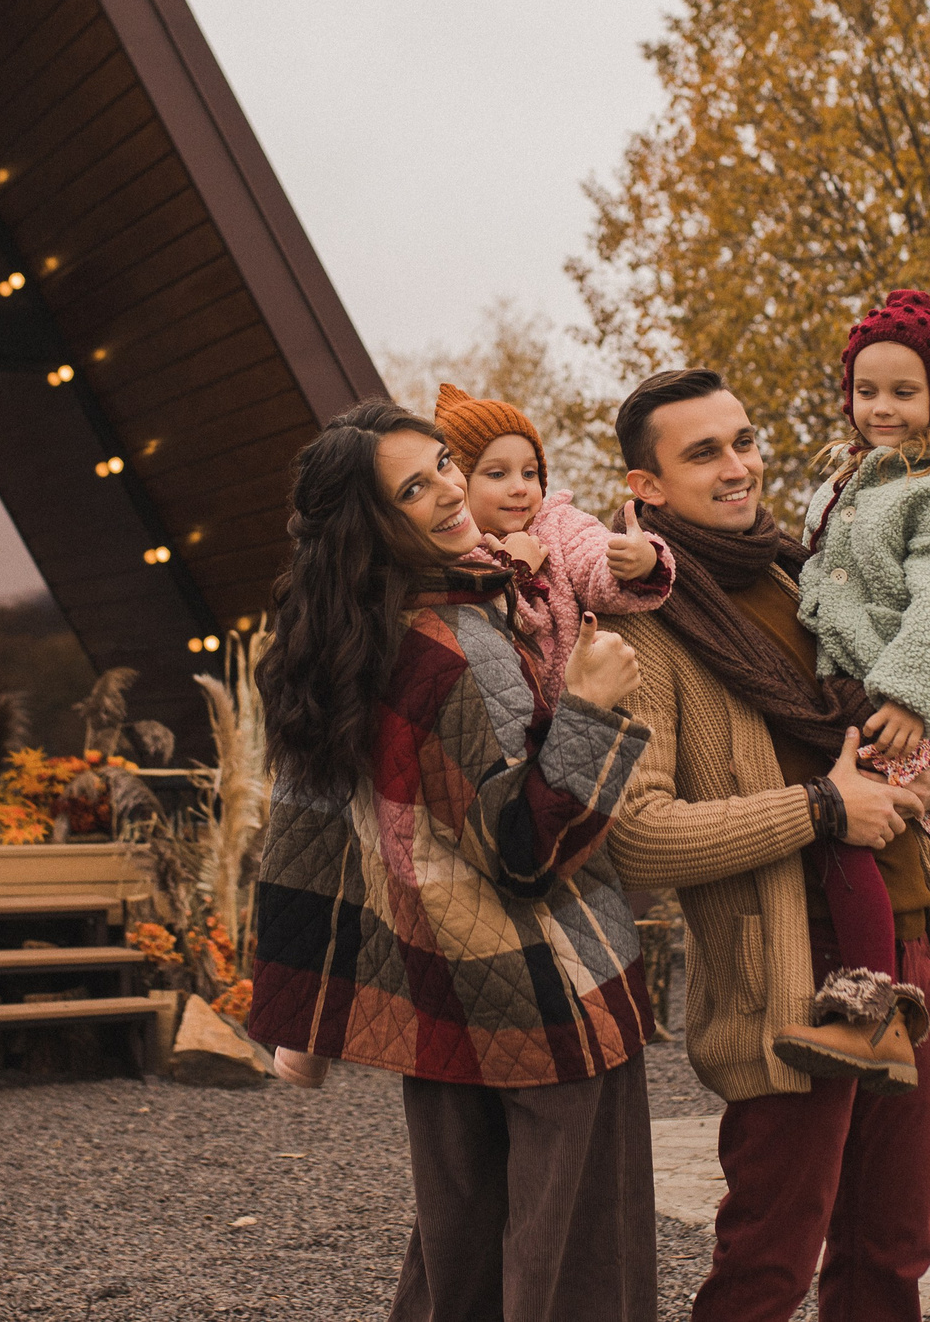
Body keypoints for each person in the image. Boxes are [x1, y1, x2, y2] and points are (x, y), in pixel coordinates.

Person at [243, 401, 660, 1322]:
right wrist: (592, 707)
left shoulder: (350, 640)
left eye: (440, 464)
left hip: (440, 1002)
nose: (448, 490)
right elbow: (525, 849)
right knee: (575, 1276)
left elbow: (317, 834)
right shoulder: (451, 646)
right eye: (413, 488)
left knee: (457, 1269)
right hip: (550, 999)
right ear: (370, 525)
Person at [603, 367, 930, 1321]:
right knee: (769, 1261)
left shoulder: (809, 572)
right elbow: (636, 834)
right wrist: (821, 808)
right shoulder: (644, 627)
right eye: (704, 453)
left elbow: (926, 708)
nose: (739, 466)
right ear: (646, 486)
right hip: (789, 967)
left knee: (892, 1252)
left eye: (745, 440)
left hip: (910, 936)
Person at [780, 290, 930, 1087]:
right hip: (871, 693)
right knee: (907, 855)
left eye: (903, 391)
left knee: (850, 831)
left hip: (916, 702)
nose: (881, 407)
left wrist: (913, 696)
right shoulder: (855, 477)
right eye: (866, 389)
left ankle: (872, 1011)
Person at [434, 381, 677, 706]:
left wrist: (638, 562)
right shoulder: (454, 552)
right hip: (512, 714)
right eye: (497, 475)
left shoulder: (556, 523)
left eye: (529, 473)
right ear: (458, 484)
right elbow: (483, 623)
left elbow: (590, 553)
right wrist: (514, 569)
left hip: (582, 700)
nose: (520, 487)